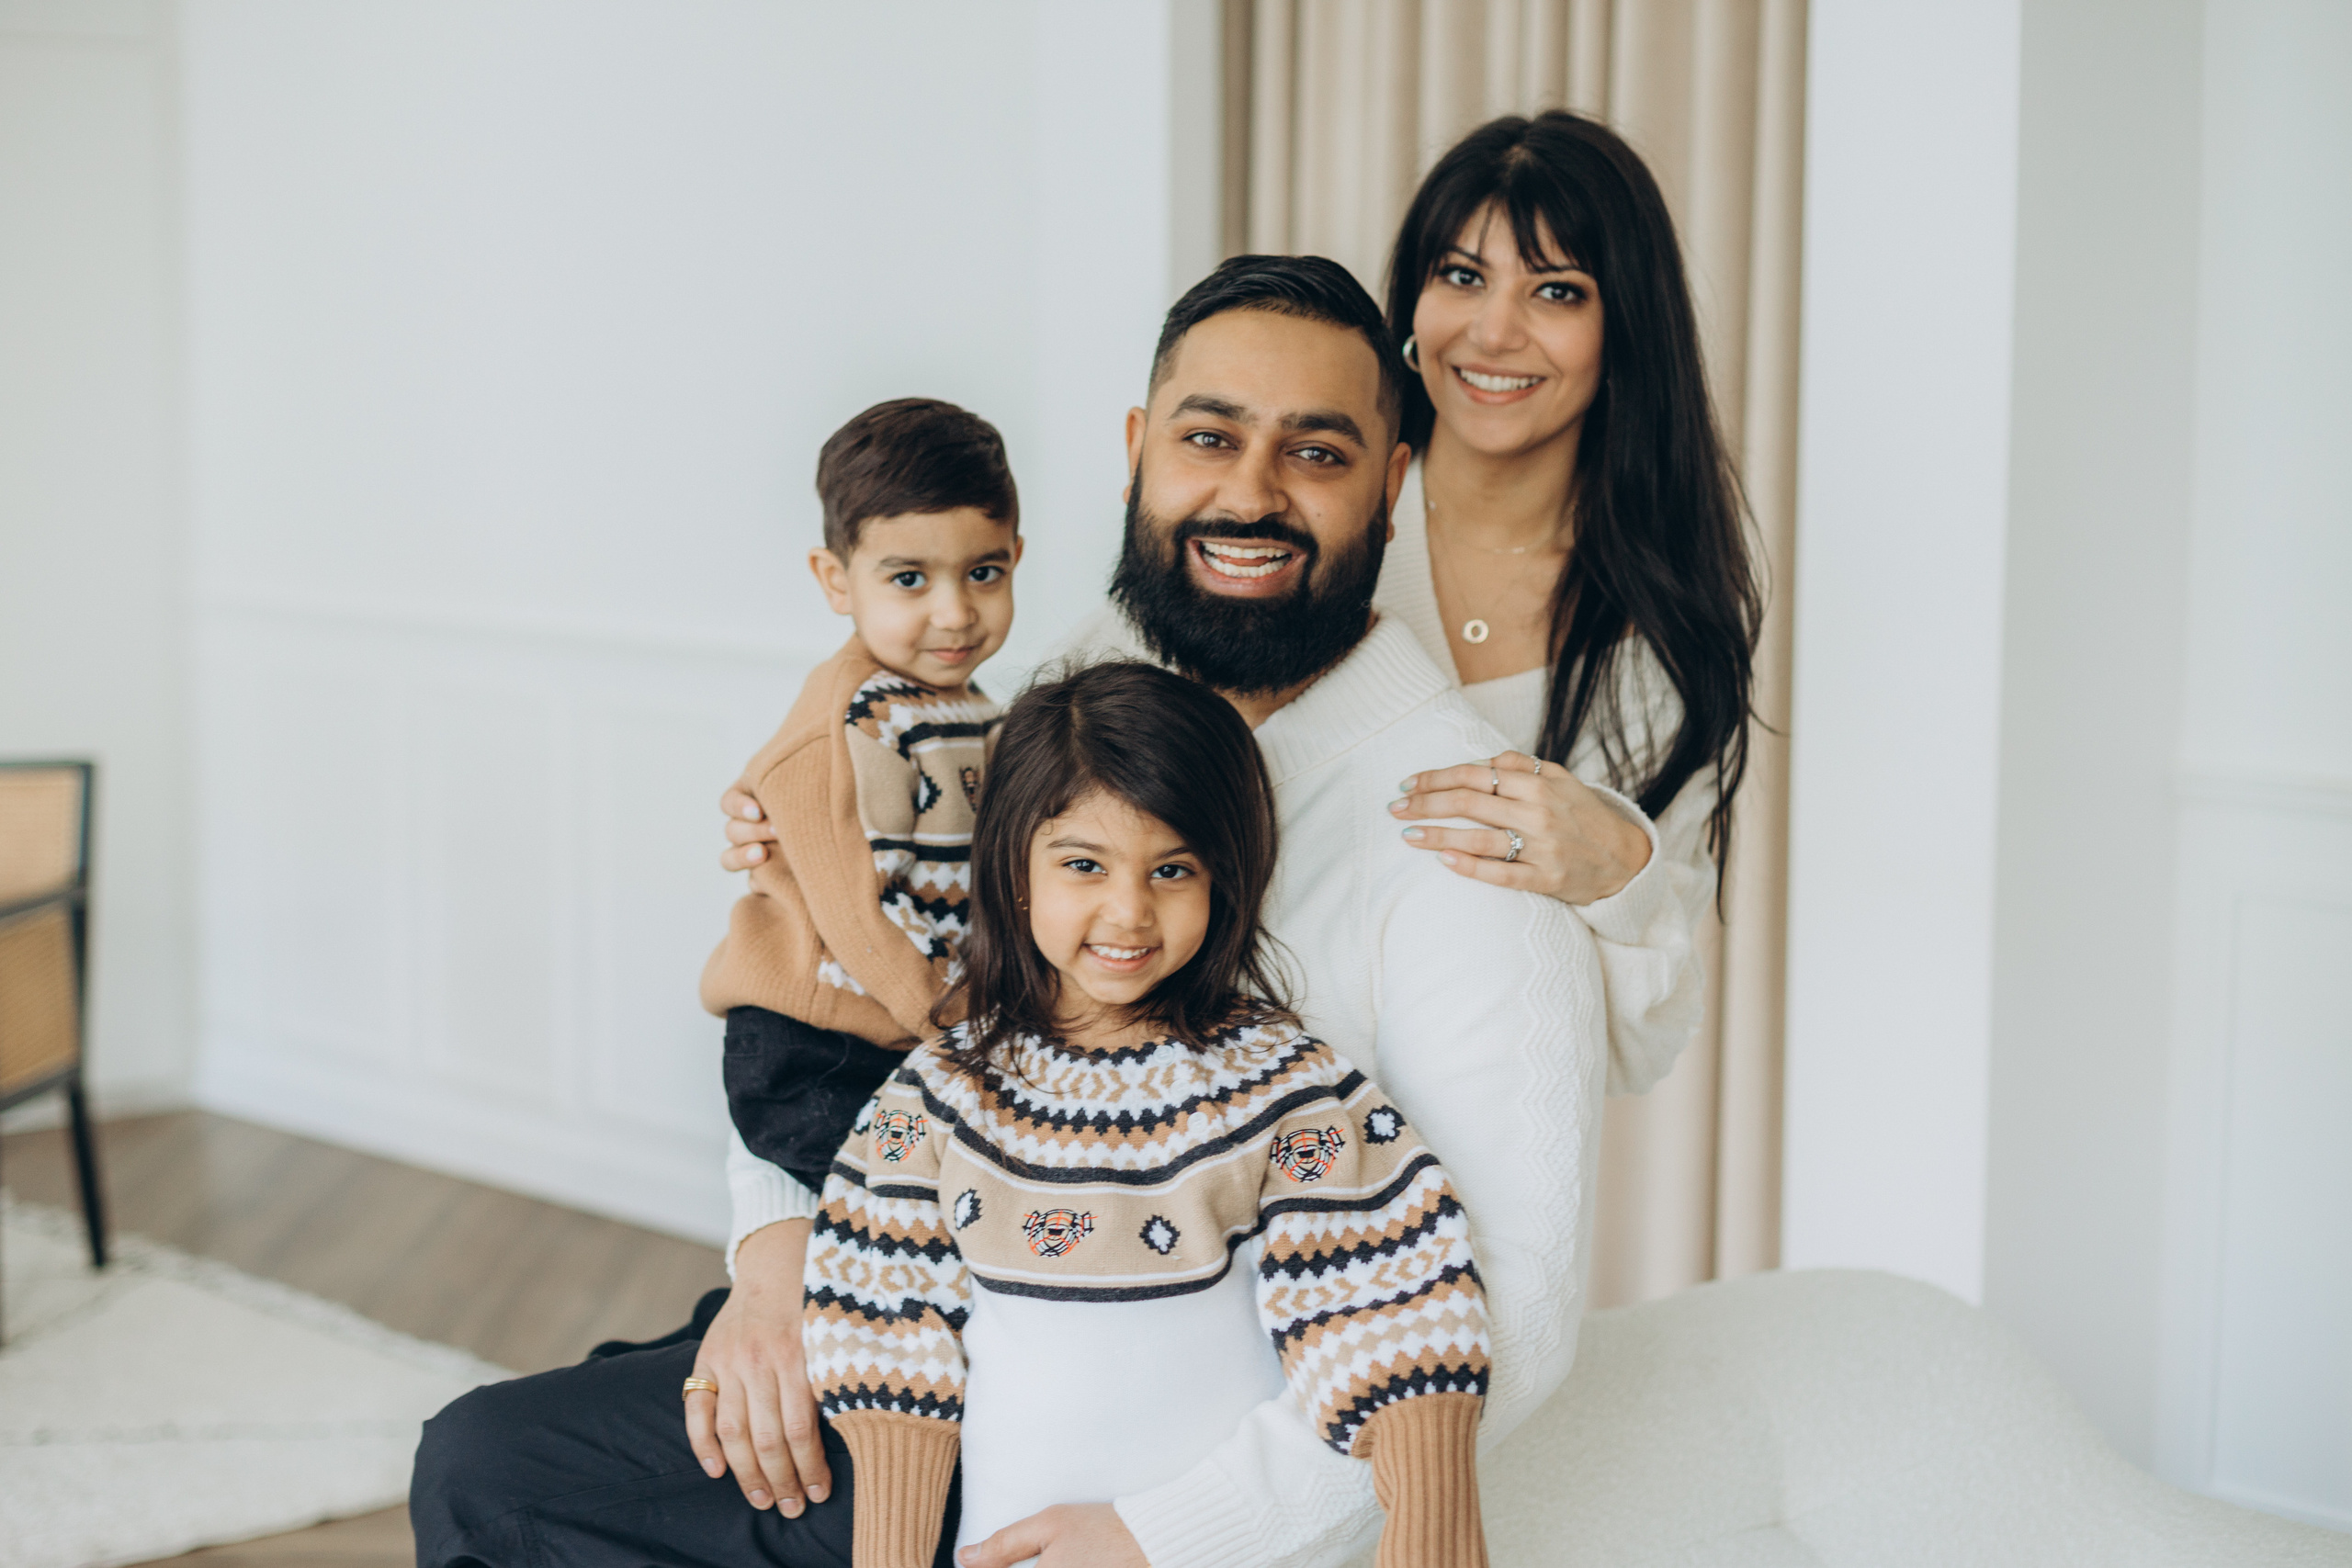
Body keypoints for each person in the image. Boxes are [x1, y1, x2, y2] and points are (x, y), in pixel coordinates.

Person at [413, 254, 1601, 1568]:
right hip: (912, 1296)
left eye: (1317, 454)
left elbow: (1507, 1312)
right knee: (514, 1443)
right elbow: (839, 996)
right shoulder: (1026, 707)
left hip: (1139, 1453)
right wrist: (777, 1250)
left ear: (1392, 478)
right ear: (1142, 448)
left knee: (501, 1480)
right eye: (1209, 437)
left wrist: (1165, 1532)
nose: (1250, 493)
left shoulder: (1474, 842)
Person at [808, 660, 1490, 1568]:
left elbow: (1391, 1300)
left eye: (1172, 869)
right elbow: (883, 1333)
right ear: (1015, 871)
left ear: (1226, 878)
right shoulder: (945, 1092)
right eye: (1082, 865)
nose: (1128, 913)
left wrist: (1430, 1531)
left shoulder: (1282, 1089)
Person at [705, 397, 1018, 1213]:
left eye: (983, 572)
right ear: (836, 580)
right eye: (908, 578)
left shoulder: (975, 706)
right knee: (914, 1220)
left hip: (910, 1029)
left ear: (1017, 556)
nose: (954, 612)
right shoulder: (858, 717)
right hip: (816, 1045)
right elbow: (858, 915)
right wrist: (958, 1030)